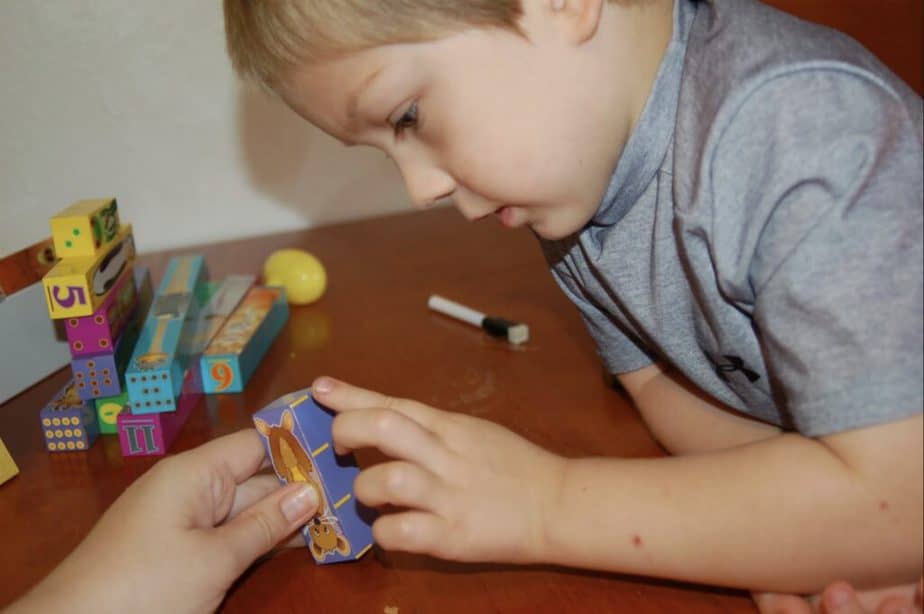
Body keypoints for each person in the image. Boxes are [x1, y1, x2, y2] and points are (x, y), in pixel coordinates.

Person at [219, 0, 922, 611]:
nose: (418, 187)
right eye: (378, 151)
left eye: (407, 116)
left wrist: (546, 504)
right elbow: (662, 388)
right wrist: (796, 537)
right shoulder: (576, 190)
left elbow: (904, 494)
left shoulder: (801, 130)